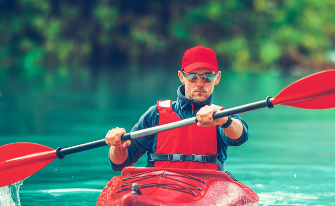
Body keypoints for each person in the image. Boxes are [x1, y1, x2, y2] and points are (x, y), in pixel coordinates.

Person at [105, 46, 248, 171]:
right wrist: (117, 146)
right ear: (181, 76)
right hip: (159, 188)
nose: (200, 83)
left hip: (206, 189)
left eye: (207, 77)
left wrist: (224, 120)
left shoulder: (221, 115)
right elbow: (120, 164)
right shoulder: (156, 114)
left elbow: (240, 137)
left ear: (217, 78)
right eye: (193, 76)